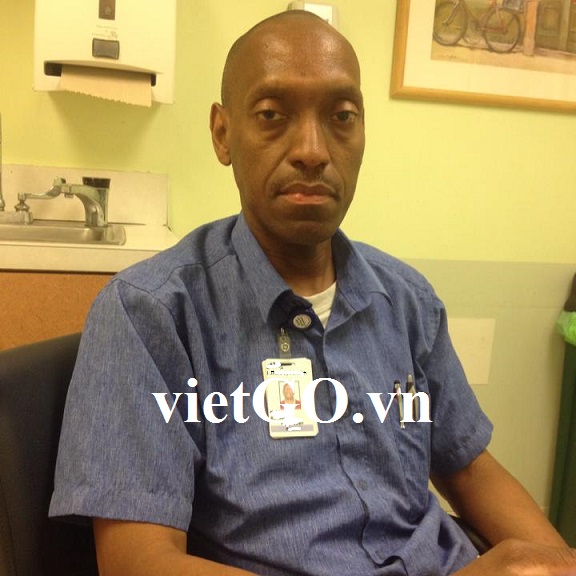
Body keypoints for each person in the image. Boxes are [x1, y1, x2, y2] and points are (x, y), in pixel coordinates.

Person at [49, 10, 576, 576]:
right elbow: (137, 562)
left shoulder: (407, 301)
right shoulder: (150, 314)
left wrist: (558, 560)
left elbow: (469, 467)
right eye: (272, 115)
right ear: (223, 134)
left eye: (341, 116)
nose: (311, 149)